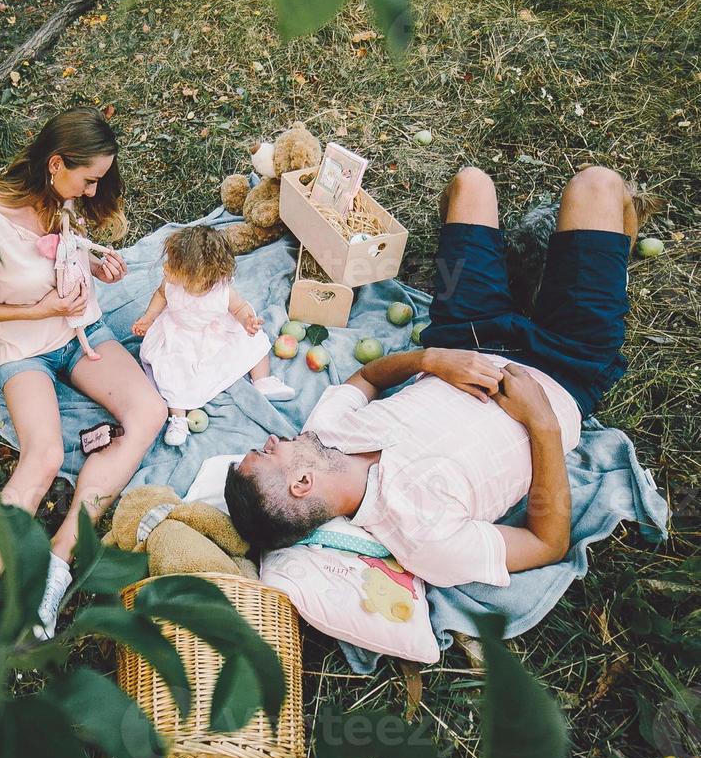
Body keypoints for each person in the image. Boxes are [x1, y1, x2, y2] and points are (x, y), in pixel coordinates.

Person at [224, 165, 644, 587]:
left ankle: (539, 279)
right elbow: (545, 545)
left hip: (468, 333)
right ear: (301, 482)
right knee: (599, 183)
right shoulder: (425, 542)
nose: (272, 439)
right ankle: (604, 270)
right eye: (266, 453)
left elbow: (369, 377)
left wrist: (430, 361)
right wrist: (542, 422)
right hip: (566, 368)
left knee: (469, 184)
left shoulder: (322, 431)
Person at [0, 107, 167, 709]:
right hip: (25, 352)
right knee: (41, 460)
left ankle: (58, 565)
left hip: (82, 335)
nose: (94, 191)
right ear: (56, 163)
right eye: (88, 180)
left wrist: (93, 260)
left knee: (149, 414)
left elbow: (64, 248)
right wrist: (32, 313)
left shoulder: (59, 200)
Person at [132, 225, 295, 446]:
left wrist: (248, 321)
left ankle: (262, 380)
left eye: (172, 265)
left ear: (198, 277)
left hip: (213, 331)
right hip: (179, 335)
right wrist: (149, 317)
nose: (165, 267)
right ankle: (178, 418)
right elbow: (160, 296)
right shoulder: (171, 284)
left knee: (254, 342)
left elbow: (239, 308)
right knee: (171, 370)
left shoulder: (222, 291)